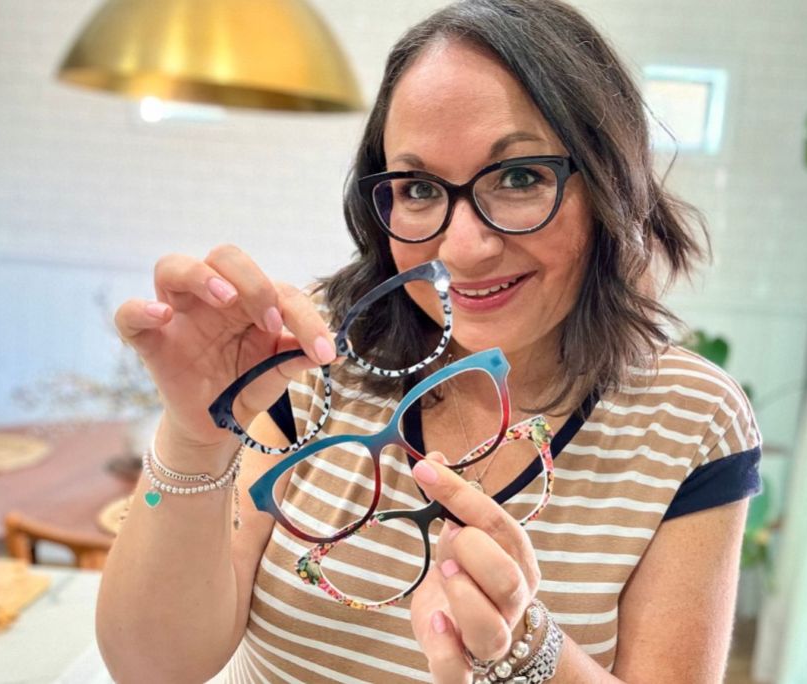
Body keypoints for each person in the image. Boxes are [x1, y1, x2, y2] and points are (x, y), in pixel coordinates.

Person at [98, 0, 761, 682]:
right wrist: (194, 432)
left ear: (607, 182)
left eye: (519, 177)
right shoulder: (313, 352)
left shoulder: (689, 418)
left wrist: (530, 655)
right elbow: (154, 667)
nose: (464, 248)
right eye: (418, 188)